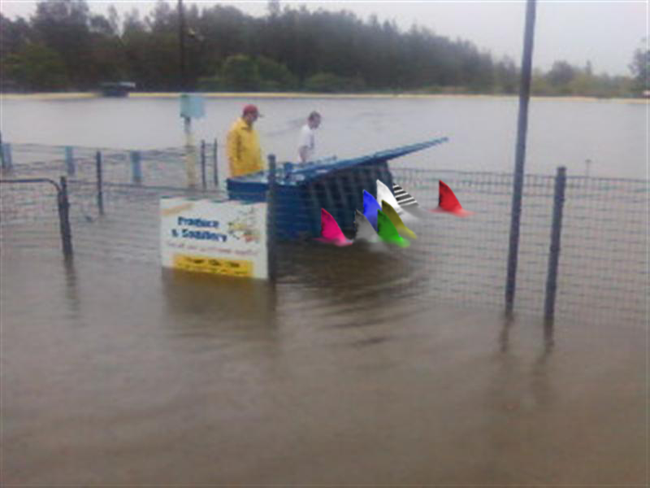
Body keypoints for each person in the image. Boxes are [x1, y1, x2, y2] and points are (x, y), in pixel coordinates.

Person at [226, 104, 264, 177]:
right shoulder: (235, 130)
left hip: (255, 173)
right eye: (255, 117)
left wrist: (261, 169)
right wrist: (237, 176)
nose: (256, 119)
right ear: (248, 115)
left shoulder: (252, 130)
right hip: (242, 175)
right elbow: (232, 155)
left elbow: (256, 152)